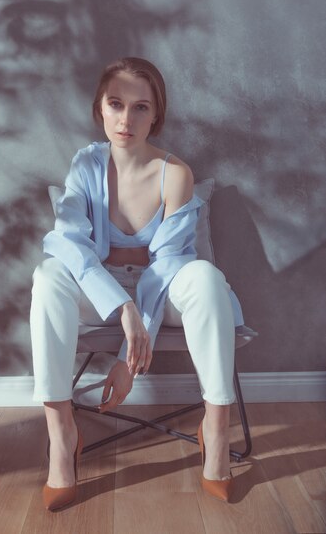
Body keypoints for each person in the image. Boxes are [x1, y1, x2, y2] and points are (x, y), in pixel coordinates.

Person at [30, 56, 245, 510]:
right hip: (101, 293)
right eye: (116, 104)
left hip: (162, 293)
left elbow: (167, 267)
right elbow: (68, 244)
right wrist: (122, 309)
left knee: (205, 277)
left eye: (141, 107)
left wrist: (129, 357)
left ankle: (217, 430)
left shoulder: (176, 175)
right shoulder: (85, 166)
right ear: (100, 109)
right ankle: (62, 435)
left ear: (157, 114)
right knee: (48, 273)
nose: (127, 119)